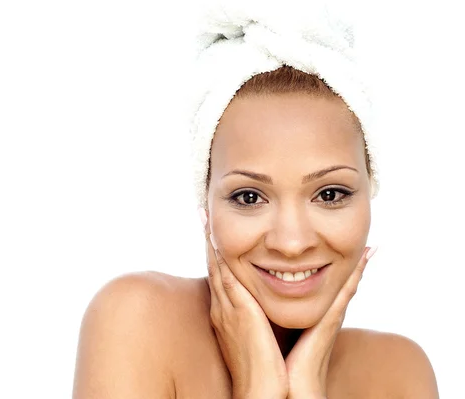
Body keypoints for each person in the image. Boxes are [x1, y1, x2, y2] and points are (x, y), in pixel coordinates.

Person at [72, 1, 439, 398]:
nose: (292, 242)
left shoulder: (399, 373)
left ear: (371, 193)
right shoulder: (135, 320)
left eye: (330, 194)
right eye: (249, 197)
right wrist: (258, 386)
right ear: (207, 205)